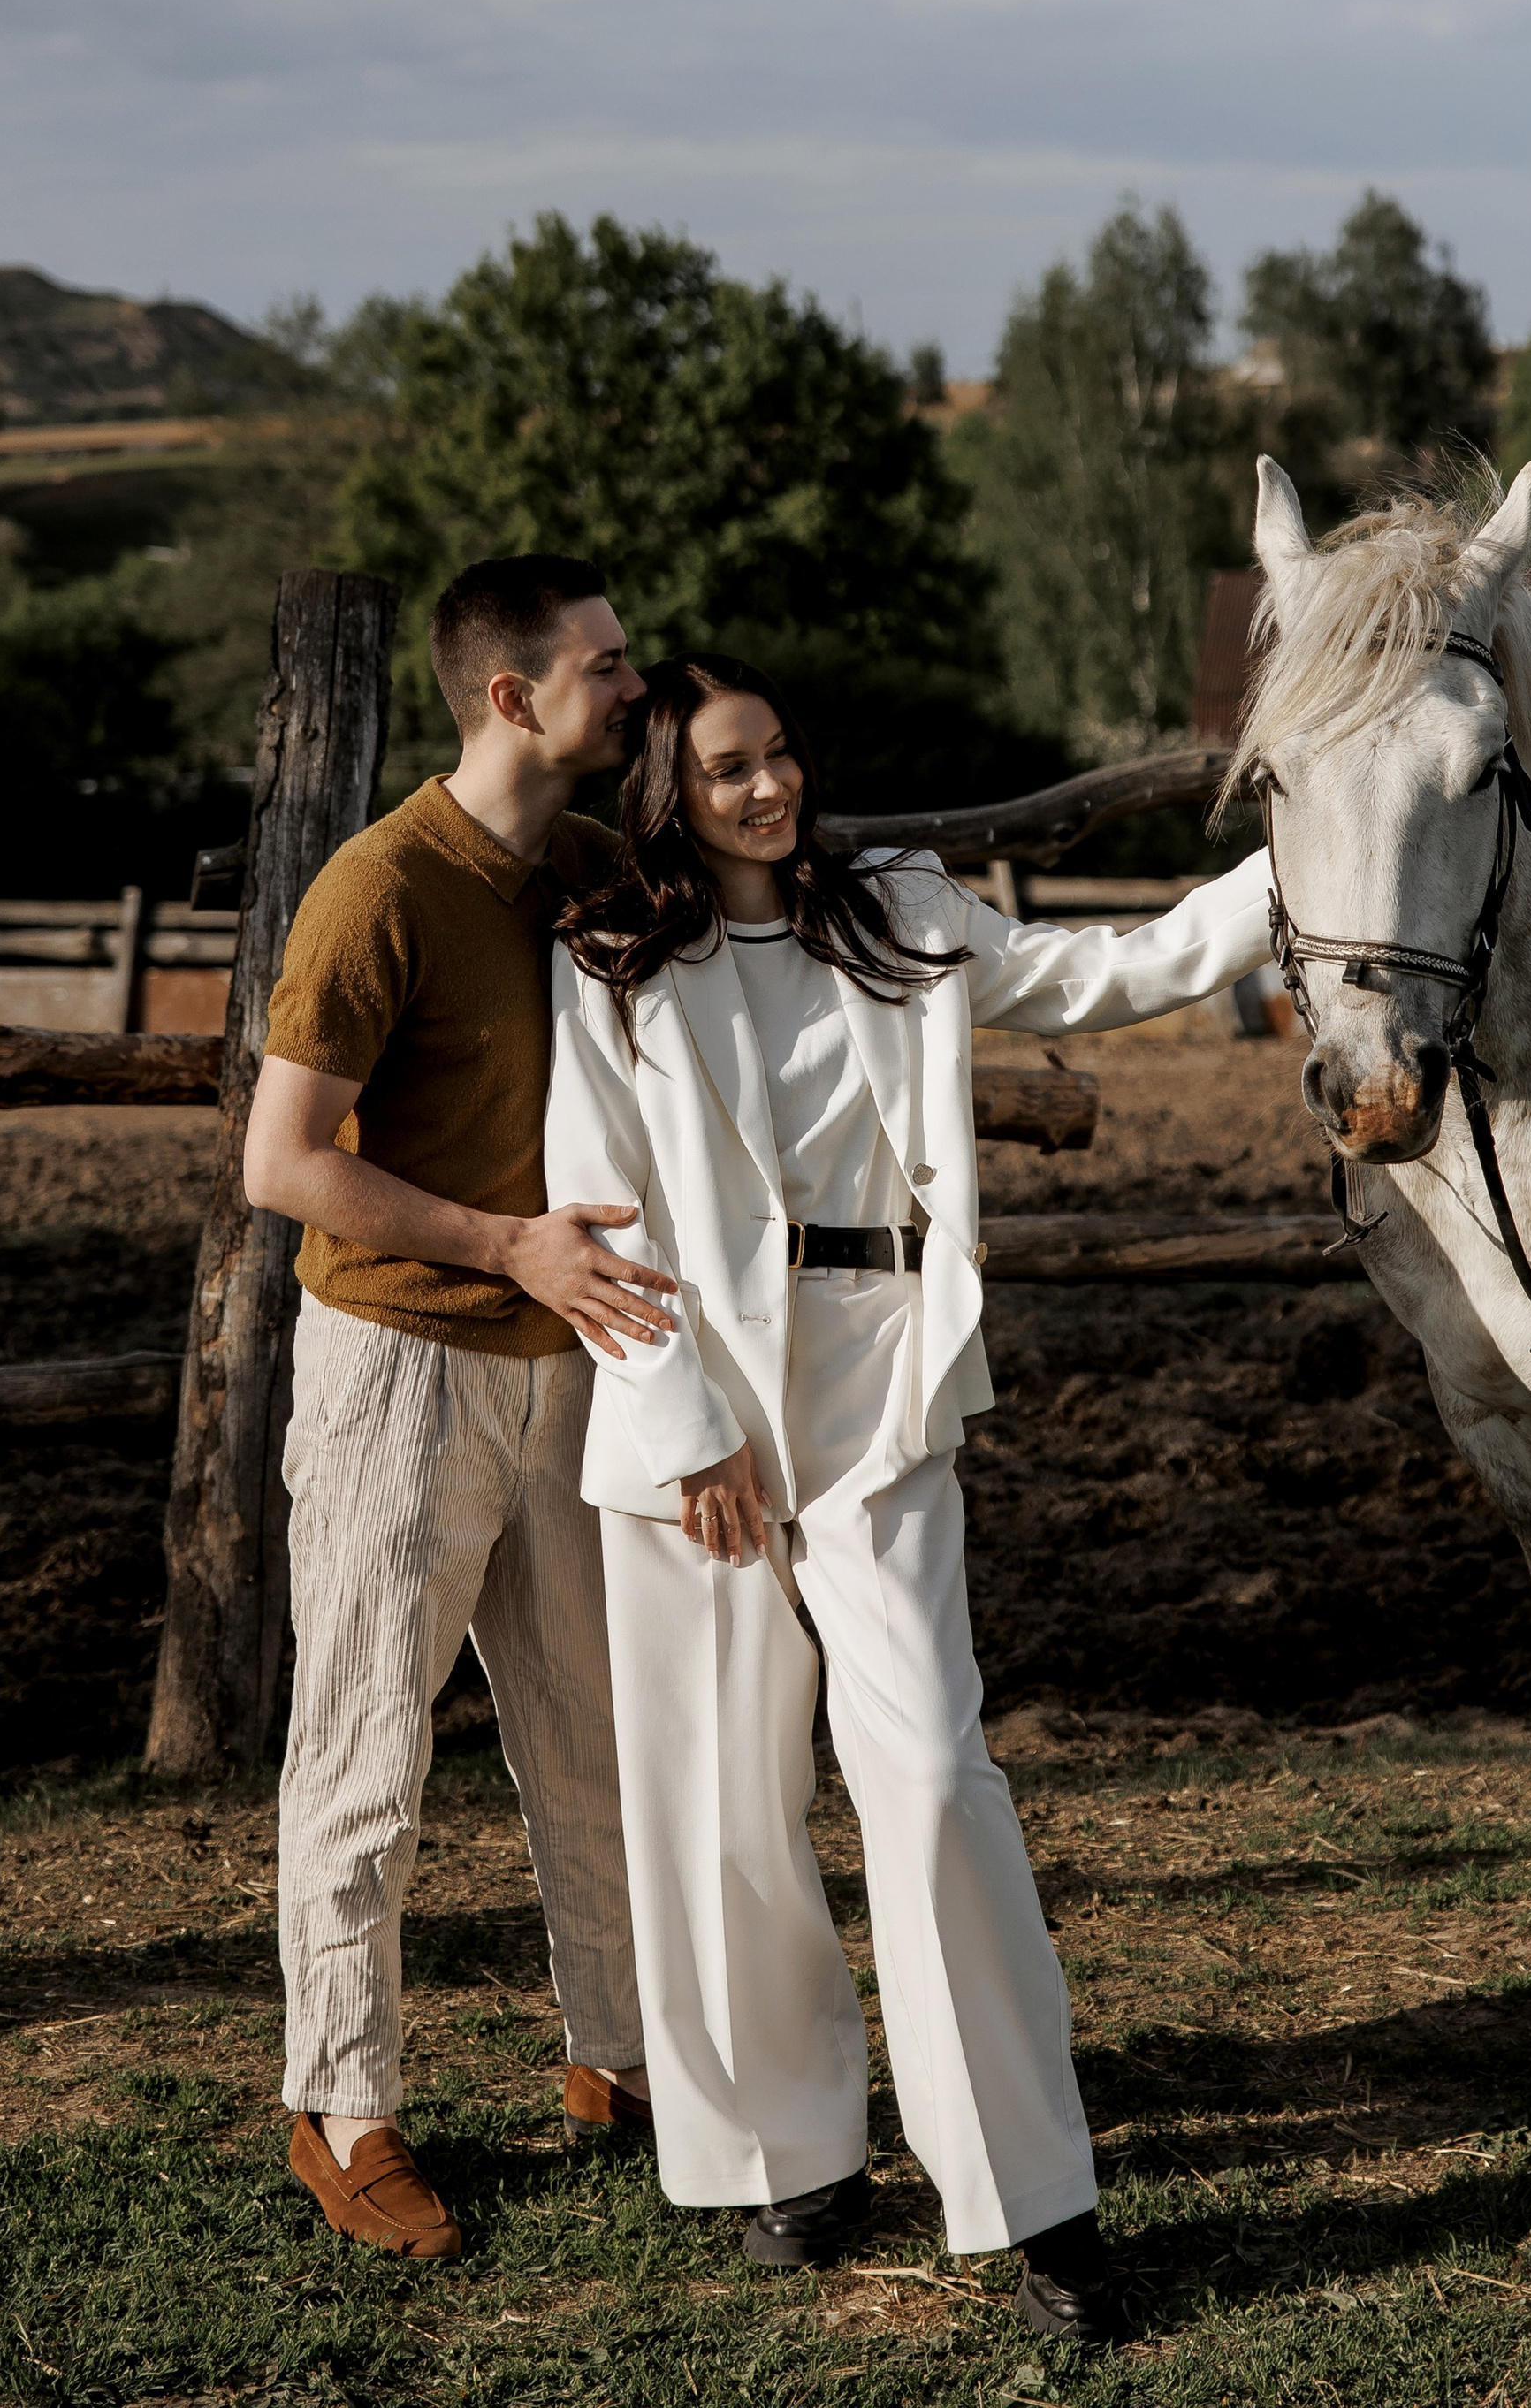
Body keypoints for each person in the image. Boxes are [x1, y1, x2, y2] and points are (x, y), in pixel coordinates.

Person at [543, 653, 1276, 2347]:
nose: (768, 789)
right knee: (725, 1797)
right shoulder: (609, 965)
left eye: (782, 756)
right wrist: (681, 1431)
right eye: (728, 769)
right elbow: (600, 1214)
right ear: (667, 790)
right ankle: (791, 2152)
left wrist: (1282, 881)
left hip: (881, 1377)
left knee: (935, 1772)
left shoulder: (898, 910)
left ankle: (1036, 2208)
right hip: (698, 1407)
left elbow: (1102, 973)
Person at [245, 554, 683, 2260]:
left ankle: (625, 2060)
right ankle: (341, 2106)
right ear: (513, 697)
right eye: (607, 667)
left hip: (568, 1373)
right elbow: (283, 1162)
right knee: (363, 1756)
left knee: (593, 1739)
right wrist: (509, 1243)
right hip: (397, 1377)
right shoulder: (377, 888)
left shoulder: (579, 868)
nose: (632, 688)